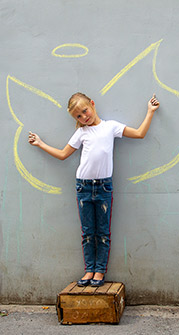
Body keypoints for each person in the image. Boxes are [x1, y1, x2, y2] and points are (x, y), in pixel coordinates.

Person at [28, 92, 159, 287]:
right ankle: (89, 269)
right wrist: (40, 143)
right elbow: (64, 154)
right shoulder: (82, 133)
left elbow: (140, 133)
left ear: (92, 104)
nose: (84, 117)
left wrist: (150, 111)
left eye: (84, 111)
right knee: (88, 232)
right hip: (83, 187)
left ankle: (99, 271)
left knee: (103, 232)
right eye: (78, 116)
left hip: (104, 187)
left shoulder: (110, 127)